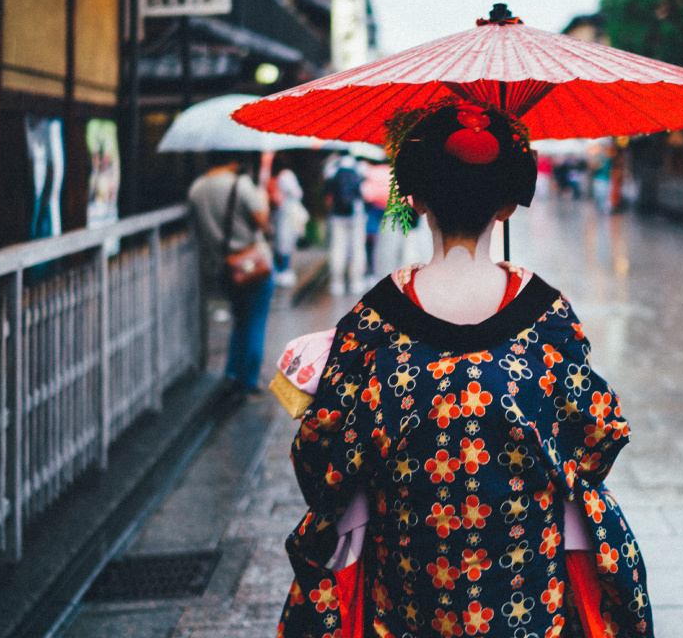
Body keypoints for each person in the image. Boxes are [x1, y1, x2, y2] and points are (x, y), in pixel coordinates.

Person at [278, 101, 653, 638]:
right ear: (506, 204)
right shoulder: (546, 317)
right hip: (527, 594)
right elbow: (597, 439)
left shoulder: (374, 321)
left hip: (409, 596)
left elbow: (319, 459)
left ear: (415, 197)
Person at [188, 152, 274, 394]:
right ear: (233, 160)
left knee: (240, 319)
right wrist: (263, 197)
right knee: (255, 321)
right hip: (251, 265)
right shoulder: (241, 184)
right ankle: (249, 381)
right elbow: (263, 223)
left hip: (223, 266)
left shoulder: (196, 189)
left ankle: (232, 372)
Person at [324, 153, 368, 296]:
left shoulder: (332, 168)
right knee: (357, 248)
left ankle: (337, 283)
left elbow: (327, 194)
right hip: (357, 214)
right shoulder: (360, 167)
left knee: (337, 248)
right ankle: (356, 282)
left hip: (337, 215)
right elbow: (364, 193)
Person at [271, 158, 307, 288]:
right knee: (286, 241)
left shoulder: (277, 176)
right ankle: (284, 270)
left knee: (282, 241)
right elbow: (297, 193)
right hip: (288, 214)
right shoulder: (287, 175)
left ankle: (281, 270)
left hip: (282, 213)